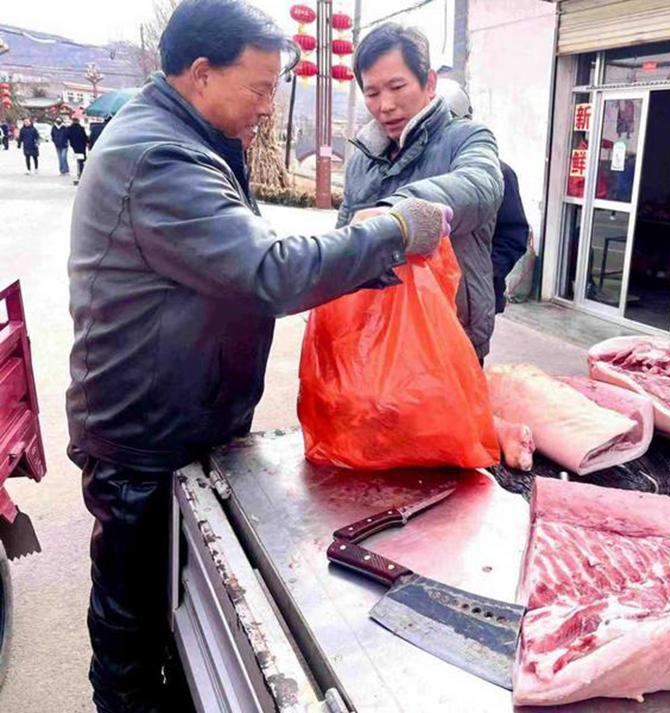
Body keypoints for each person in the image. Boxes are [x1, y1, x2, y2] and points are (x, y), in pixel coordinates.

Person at [66, 1, 449, 711]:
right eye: (261, 88)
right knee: (131, 622)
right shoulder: (158, 156)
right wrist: (395, 231)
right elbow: (267, 270)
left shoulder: (194, 137)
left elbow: (248, 253)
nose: (269, 106)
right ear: (201, 74)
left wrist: (362, 251)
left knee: (171, 607)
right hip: (143, 435)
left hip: (178, 414)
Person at [338, 23, 503, 361]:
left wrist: (395, 213)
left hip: (448, 340)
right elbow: (344, 236)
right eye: (372, 93)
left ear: (428, 83)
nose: (385, 105)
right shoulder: (361, 159)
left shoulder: (468, 138)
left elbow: (480, 183)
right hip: (374, 338)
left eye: (397, 87)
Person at [436, 79, 530, 314]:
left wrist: (484, 274)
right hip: (429, 296)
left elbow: (514, 235)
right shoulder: (421, 172)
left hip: (474, 300)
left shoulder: (498, 174)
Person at [67, 117, 89, 184]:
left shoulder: (69, 129)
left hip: (75, 147)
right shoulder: (81, 128)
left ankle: (79, 172)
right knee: (81, 160)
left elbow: (68, 137)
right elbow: (85, 137)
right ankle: (81, 172)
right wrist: (87, 142)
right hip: (82, 146)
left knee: (78, 160)